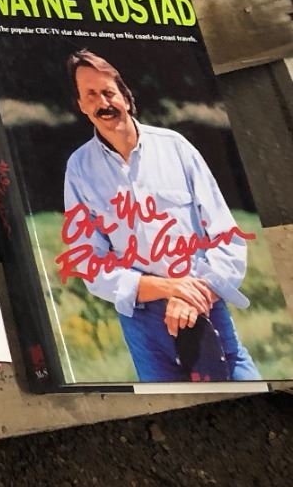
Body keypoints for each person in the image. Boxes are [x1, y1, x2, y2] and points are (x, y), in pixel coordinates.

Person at [60, 49, 258, 382]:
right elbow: (89, 261)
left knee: (251, 391)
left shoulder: (175, 147)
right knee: (175, 405)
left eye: (108, 92)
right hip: (142, 320)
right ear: (81, 105)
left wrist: (196, 295)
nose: (102, 102)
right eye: (90, 95)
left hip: (202, 304)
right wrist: (167, 288)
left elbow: (226, 235)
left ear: (125, 96)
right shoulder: (79, 169)